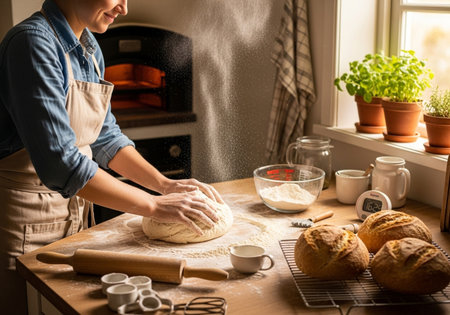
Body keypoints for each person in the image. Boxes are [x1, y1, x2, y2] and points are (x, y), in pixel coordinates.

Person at [0, 0, 224, 313]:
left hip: (74, 216)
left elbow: (106, 138)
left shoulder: (89, 48)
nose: (125, 8)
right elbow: (60, 163)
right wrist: (153, 205)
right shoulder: (32, 44)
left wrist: (164, 185)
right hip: (25, 224)